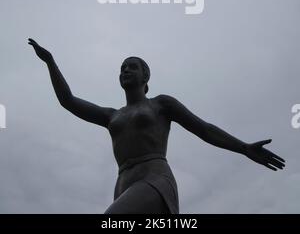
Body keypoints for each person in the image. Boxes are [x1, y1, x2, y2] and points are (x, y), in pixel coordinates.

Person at [28, 38, 285, 214]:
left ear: (145, 76)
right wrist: (50, 61)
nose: (125, 70)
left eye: (132, 67)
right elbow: (68, 101)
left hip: (154, 178)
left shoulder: (161, 104)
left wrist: (243, 148)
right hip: (123, 183)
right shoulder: (111, 115)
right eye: (122, 68)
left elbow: (203, 129)